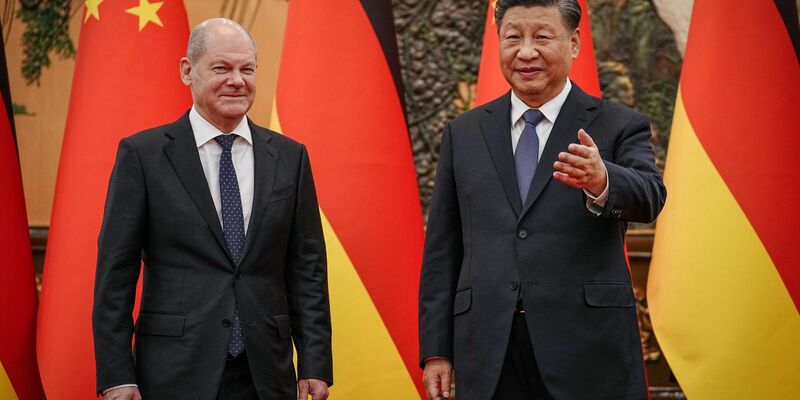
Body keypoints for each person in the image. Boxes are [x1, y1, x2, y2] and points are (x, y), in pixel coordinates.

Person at [418, 0, 666, 399]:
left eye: (542, 36)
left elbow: (651, 195)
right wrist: (436, 352)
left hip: (585, 350)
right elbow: (443, 250)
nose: (526, 51)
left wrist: (603, 179)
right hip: (488, 351)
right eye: (513, 37)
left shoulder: (618, 124)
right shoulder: (464, 133)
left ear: (574, 43)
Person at [92, 18, 332, 400]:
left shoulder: (290, 157)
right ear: (188, 71)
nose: (237, 80)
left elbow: (307, 269)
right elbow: (114, 276)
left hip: (266, 374)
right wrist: (117, 375)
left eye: (246, 69)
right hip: (173, 374)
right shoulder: (143, 155)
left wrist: (315, 364)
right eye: (222, 68)